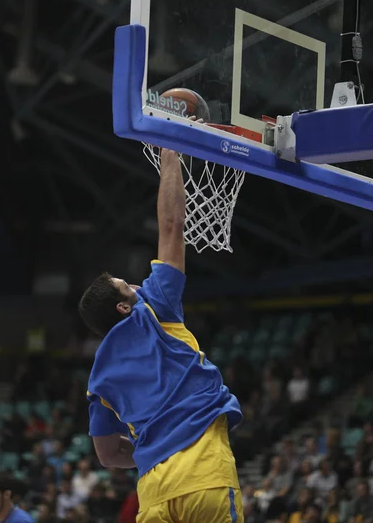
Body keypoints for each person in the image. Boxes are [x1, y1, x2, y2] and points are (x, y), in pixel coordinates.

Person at [79, 148, 243, 522]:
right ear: (124, 307)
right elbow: (171, 226)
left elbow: (106, 455)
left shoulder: (98, 380)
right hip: (204, 476)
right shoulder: (154, 306)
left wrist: (144, 448)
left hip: (153, 494)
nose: (136, 283)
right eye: (126, 285)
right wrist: (171, 156)